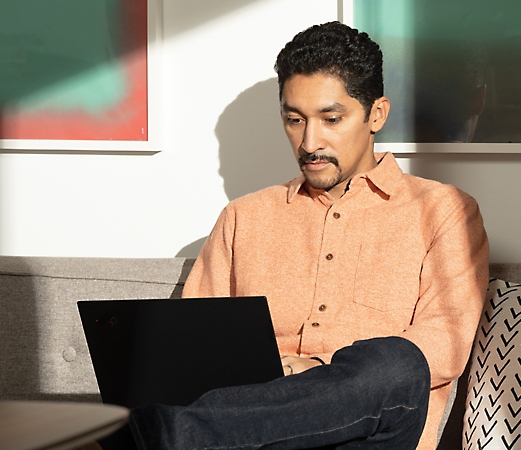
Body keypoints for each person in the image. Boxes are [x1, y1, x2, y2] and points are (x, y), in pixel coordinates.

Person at [117, 21, 489, 450]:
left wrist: (314, 374)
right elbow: (198, 349)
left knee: (400, 364)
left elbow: (446, 345)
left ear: (376, 115)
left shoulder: (444, 211)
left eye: (331, 119)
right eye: (294, 120)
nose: (310, 142)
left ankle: (153, 438)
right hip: (251, 436)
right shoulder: (243, 217)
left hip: (368, 436)